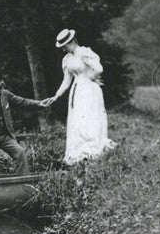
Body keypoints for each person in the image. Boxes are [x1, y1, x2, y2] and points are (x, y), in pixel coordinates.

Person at [42, 29, 116, 164]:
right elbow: (67, 80)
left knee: (89, 118)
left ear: (73, 41)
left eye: (66, 45)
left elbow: (99, 69)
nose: (64, 48)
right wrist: (56, 95)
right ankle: (79, 153)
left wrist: (91, 77)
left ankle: (91, 150)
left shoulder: (85, 53)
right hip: (77, 91)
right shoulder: (67, 59)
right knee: (78, 120)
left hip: (90, 90)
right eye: (63, 46)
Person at [0, 64, 48, 178]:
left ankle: (24, 182)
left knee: (20, 153)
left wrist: (39, 104)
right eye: (0, 80)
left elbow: (22, 101)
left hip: (5, 135)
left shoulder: (5, 94)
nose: (3, 82)